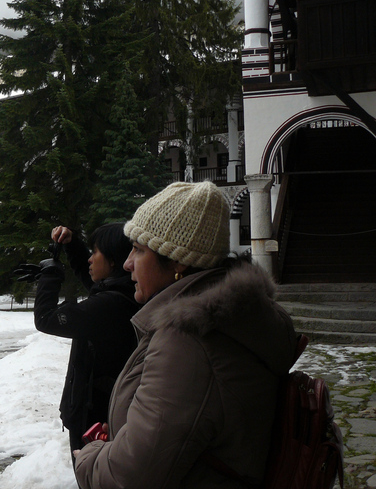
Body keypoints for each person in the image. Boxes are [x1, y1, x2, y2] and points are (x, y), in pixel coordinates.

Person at [73, 181, 298, 489]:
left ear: (177, 260)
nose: (127, 265)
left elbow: (129, 477)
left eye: (138, 250)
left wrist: (90, 456)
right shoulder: (233, 319)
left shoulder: (188, 343)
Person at [31, 223, 140, 458]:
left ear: (113, 260)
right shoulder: (126, 292)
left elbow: (45, 319)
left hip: (94, 421)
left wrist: (49, 275)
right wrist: (73, 245)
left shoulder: (108, 305)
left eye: (96, 252)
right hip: (108, 413)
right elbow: (90, 277)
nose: (90, 259)